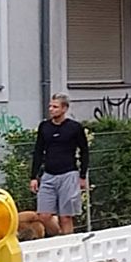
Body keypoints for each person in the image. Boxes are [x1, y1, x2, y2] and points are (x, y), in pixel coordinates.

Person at [29, 94, 89, 235]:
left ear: (64, 108)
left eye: (55, 107)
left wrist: (82, 175)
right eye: (50, 106)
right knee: (44, 215)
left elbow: (84, 151)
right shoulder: (44, 127)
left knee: (65, 217)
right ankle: (60, 237)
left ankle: (68, 245)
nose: (51, 109)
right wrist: (33, 176)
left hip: (68, 174)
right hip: (49, 175)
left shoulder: (74, 127)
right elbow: (38, 151)